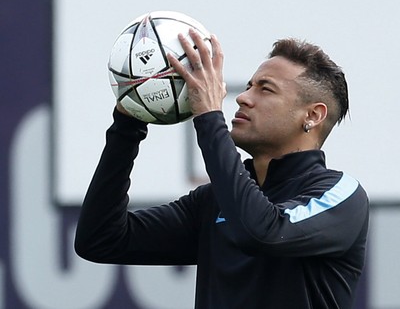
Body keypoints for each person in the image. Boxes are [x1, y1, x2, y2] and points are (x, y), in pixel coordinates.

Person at [75, 30, 369, 309]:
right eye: (250, 85)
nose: (242, 97)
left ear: (313, 115)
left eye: (266, 89)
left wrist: (210, 117)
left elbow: (263, 232)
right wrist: (129, 122)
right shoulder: (214, 201)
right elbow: (100, 239)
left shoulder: (341, 196)